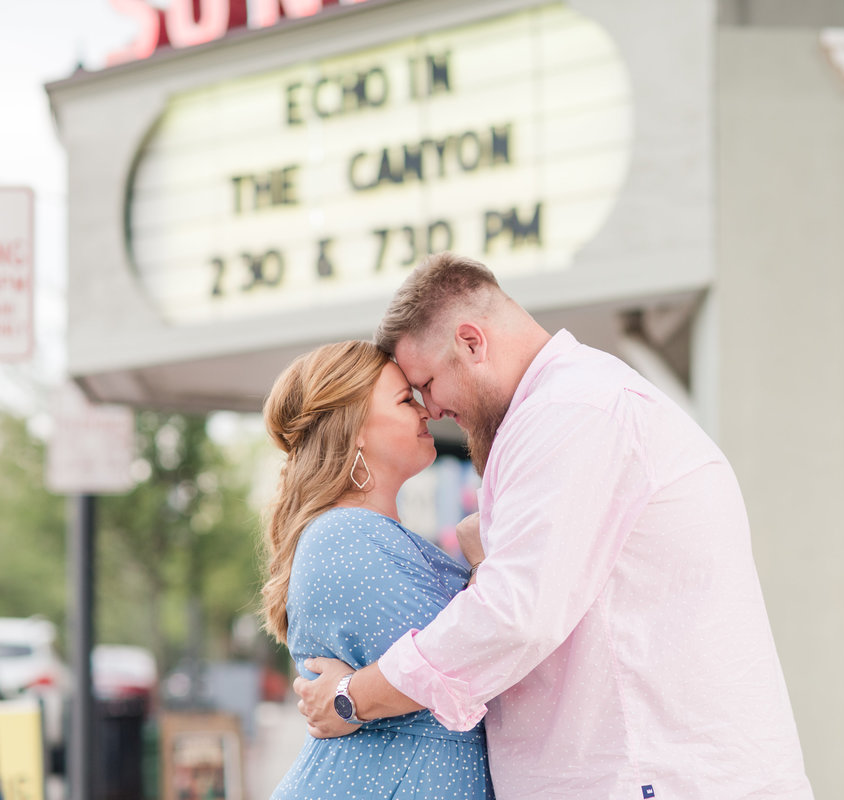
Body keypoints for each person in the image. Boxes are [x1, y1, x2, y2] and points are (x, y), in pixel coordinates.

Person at [296, 253, 814, 799]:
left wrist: (352, 697)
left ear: (471, 342)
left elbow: (514, 615)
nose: (433, 408)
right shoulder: (573, 405)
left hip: (653, 778)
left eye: (426, 383)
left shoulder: (571, 412)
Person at [260, 339, 494, 800]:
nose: (426, 410)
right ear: (354, 430)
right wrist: (483, 566)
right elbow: (474, 660)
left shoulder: (367, 535)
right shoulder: (344, 536)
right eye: (406, 400)